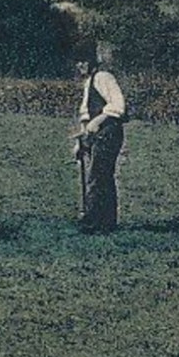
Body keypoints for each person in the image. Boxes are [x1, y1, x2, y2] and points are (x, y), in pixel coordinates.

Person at [72, 42, 127, 233]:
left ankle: (95, 222)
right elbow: (86, 114)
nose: (80, 65)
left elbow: (118, 106)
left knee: (98, 177)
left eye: (83, 61)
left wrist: (99, 120)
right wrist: (81, 141)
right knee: (100, 177)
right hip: (97, 135)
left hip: (109, 132)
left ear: (92, 61)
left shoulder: (104, 77)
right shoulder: (89, 82)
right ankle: (103, 222)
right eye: (77, 62)